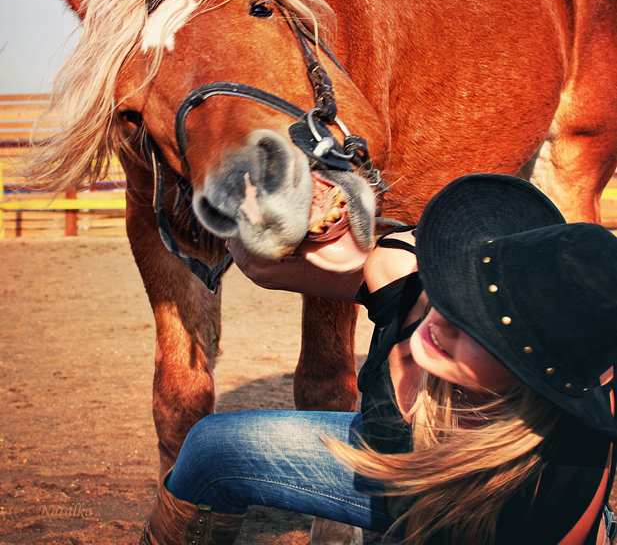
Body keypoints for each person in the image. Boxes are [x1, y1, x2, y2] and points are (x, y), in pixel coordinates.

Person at [139, 173, 617, 545]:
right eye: (460, 292)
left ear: (532, 381)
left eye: (479, 328)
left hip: (490, 501)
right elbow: (264, 267)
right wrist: (296, 227)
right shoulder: (404, 272)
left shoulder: (561, 476)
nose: (443, 320)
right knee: (211, 450)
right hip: (385, 462)